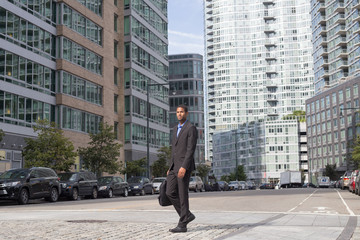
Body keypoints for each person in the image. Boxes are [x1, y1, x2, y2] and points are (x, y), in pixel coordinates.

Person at [166, 104, 198, 233]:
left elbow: (191, 150)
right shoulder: (175, 129)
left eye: (182, 112)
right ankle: (187, 215)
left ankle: (183, 224)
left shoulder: (191, 128)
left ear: (186, 113)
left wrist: (184, 167)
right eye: (177, 112)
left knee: (182, 194)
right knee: (169, 192)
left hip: (184, 166)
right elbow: (174, 150)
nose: (179, 114)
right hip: (174, 166)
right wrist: (170, 166)